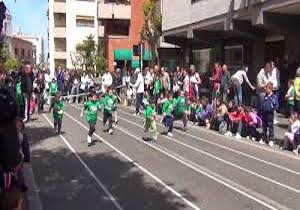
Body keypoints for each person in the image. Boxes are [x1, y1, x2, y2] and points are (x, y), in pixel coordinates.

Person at [259, 82, 279, 147]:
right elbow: (263, 103)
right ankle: (263, 138)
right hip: (264, 113)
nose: (266, 90)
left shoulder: (274, 97)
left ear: (270, 89)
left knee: (270, 127)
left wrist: (272, 109)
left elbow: (277, 105)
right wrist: (261, 108)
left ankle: (271, 140)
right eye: (266, 89)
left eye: (267, 89)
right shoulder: (265, 96)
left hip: (270, 114)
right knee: (264, 126)